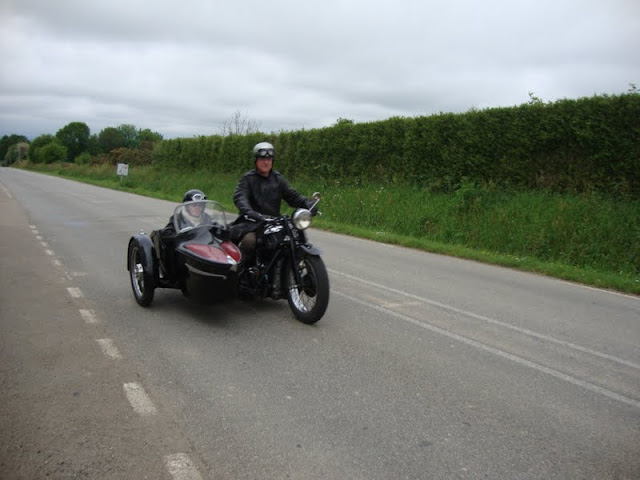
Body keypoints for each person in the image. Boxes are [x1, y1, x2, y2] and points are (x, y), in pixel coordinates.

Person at [232, 142, 316, 264]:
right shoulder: (248, 179)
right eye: (262, 159)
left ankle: (292, 269)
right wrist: (249, 211)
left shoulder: (278, 179)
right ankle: (240, 272)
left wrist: (308, 203)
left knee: (294, 239)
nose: (266, 162)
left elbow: (292, 196)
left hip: (273, 223)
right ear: (256, 160)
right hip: (251, 223)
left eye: (269, 159)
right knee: (249, 242)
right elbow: (240, 197)